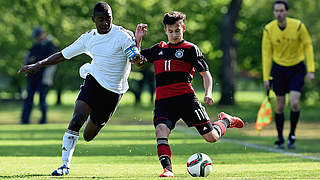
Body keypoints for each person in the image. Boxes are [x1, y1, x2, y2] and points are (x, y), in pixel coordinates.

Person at [18, 2, 144, 176]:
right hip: (94, 81)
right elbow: (63, 54)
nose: (105, 23)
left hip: (114, 91)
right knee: (77, 117)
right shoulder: (88, 38)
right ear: (93, 20)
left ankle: (94, 117)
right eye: (101, 19)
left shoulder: (122, 35)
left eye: (108, 19)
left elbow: (135, 58)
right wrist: (38, 65)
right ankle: (64, 165)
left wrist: (138, 51)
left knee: (88, 135)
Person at [135, 11, 244, 177]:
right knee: (161, 131)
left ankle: (226, 120)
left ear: (183, 28)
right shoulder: (158, 49)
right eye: (170, 31)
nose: (174, 34)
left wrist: (208, 93)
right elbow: (137, 59)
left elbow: (206, 74)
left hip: (187, 100)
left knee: (212, 137)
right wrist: (139, 38)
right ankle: (168, 169)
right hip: (164, 103)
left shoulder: (190, 49)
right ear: (165, 30)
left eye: (177, 30)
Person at [262, 0, 315, 149]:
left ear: (287, 12)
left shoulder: (298, 26)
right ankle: (280, 137)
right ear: (274, 13)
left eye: (281, 11)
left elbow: (308, 46)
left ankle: (292, 135)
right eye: (276, 11)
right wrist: (266, 77)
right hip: (278, 69)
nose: (279, 13)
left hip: (297, 68)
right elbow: (266, 54)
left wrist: (311, 70)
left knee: (294, 102)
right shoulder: (268, 29)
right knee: (279, 105)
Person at [21, 26, 58, 124]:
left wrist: (35, 59)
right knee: (28, 100)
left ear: (43, 34)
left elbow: (50, 61)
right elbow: (29, 58)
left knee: (42, 100)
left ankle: (43, 120)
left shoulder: (50, 45)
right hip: (33, 77)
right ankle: (25, 120)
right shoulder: (35, 45)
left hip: (43, 78)